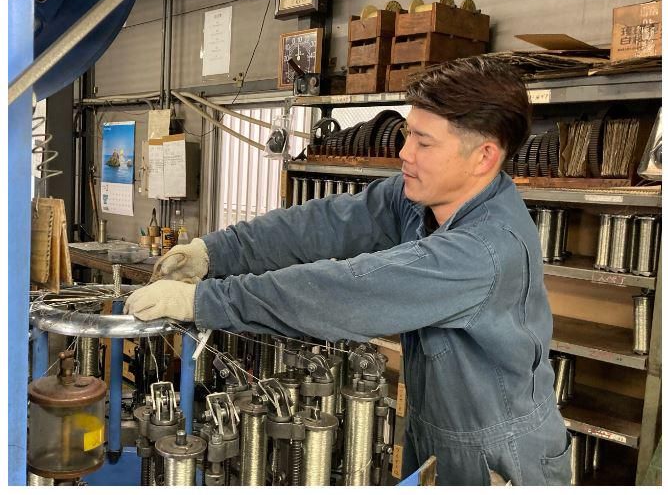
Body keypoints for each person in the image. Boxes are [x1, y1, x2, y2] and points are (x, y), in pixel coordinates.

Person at [125, 56, 571, 486]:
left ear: (484, 157)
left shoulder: (485, 251)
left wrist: (205, 301)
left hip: (498, 460)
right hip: (433, 435)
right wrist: (214, 252)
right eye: (407, 135)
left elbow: (344, 293)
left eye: (424, 142)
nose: (404, 153)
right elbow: (324, 225)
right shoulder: (419, 199)